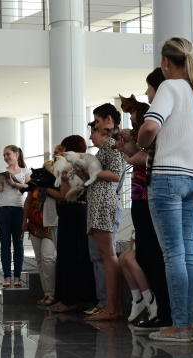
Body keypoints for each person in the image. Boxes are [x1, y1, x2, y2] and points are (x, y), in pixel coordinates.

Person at [137, 37, 193, 343]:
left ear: (166, 62)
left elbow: (151, 126)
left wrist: (141, 143)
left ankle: (179, 326)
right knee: (187, 252)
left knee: (174, 254)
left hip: (168, 177)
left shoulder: (169, 87)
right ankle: (186, 324)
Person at [118, 68, 173, 333]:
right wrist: (129, 149)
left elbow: (150, 156)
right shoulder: (158, 115)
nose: (146, 92)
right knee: (146, 254)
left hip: (153, 193)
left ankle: (165, 312)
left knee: (153, 255)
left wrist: (130, 155)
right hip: (144, 193)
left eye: (149, 87)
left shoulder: (158, 116)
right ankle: (162, 310)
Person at [48, 135, 96, 313]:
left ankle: (69, 299)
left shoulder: (72, 165)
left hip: (72, 212)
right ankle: (84, 298)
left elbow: (64, 194)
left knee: (69, 256)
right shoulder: (87, 162)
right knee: (81, 255)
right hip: (82, 211)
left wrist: (46, 186)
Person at [82, 120, 124, 321]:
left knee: (107, 255)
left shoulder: (112, 144)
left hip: (104, 203)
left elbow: (116, 175)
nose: (91, 135)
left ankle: (111, 306)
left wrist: (91, 171)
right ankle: (107, 304)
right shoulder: (104, 148)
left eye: (95, 129)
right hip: (98, 203)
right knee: (101, 255)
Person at [0, 145, 31, 288]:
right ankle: (7, 277)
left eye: (8, 154)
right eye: (4, 155)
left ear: (16, 154)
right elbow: (0, 188)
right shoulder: (1, 170)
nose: (6, 157)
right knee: (5, 244)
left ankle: (17, 277)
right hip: (2, 209)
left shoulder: (25, 171)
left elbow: (28, 187)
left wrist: (13, 184)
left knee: (18, 244)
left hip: (19, 209)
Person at [22, 178, 55, 306]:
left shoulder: (53, 183)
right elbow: (28, 200)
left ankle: (52, 293)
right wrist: (24, 220)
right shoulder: (33, 184)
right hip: (34, 225)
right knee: (40, 260)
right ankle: (47, 293)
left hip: (50, 226)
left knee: (47, 258)